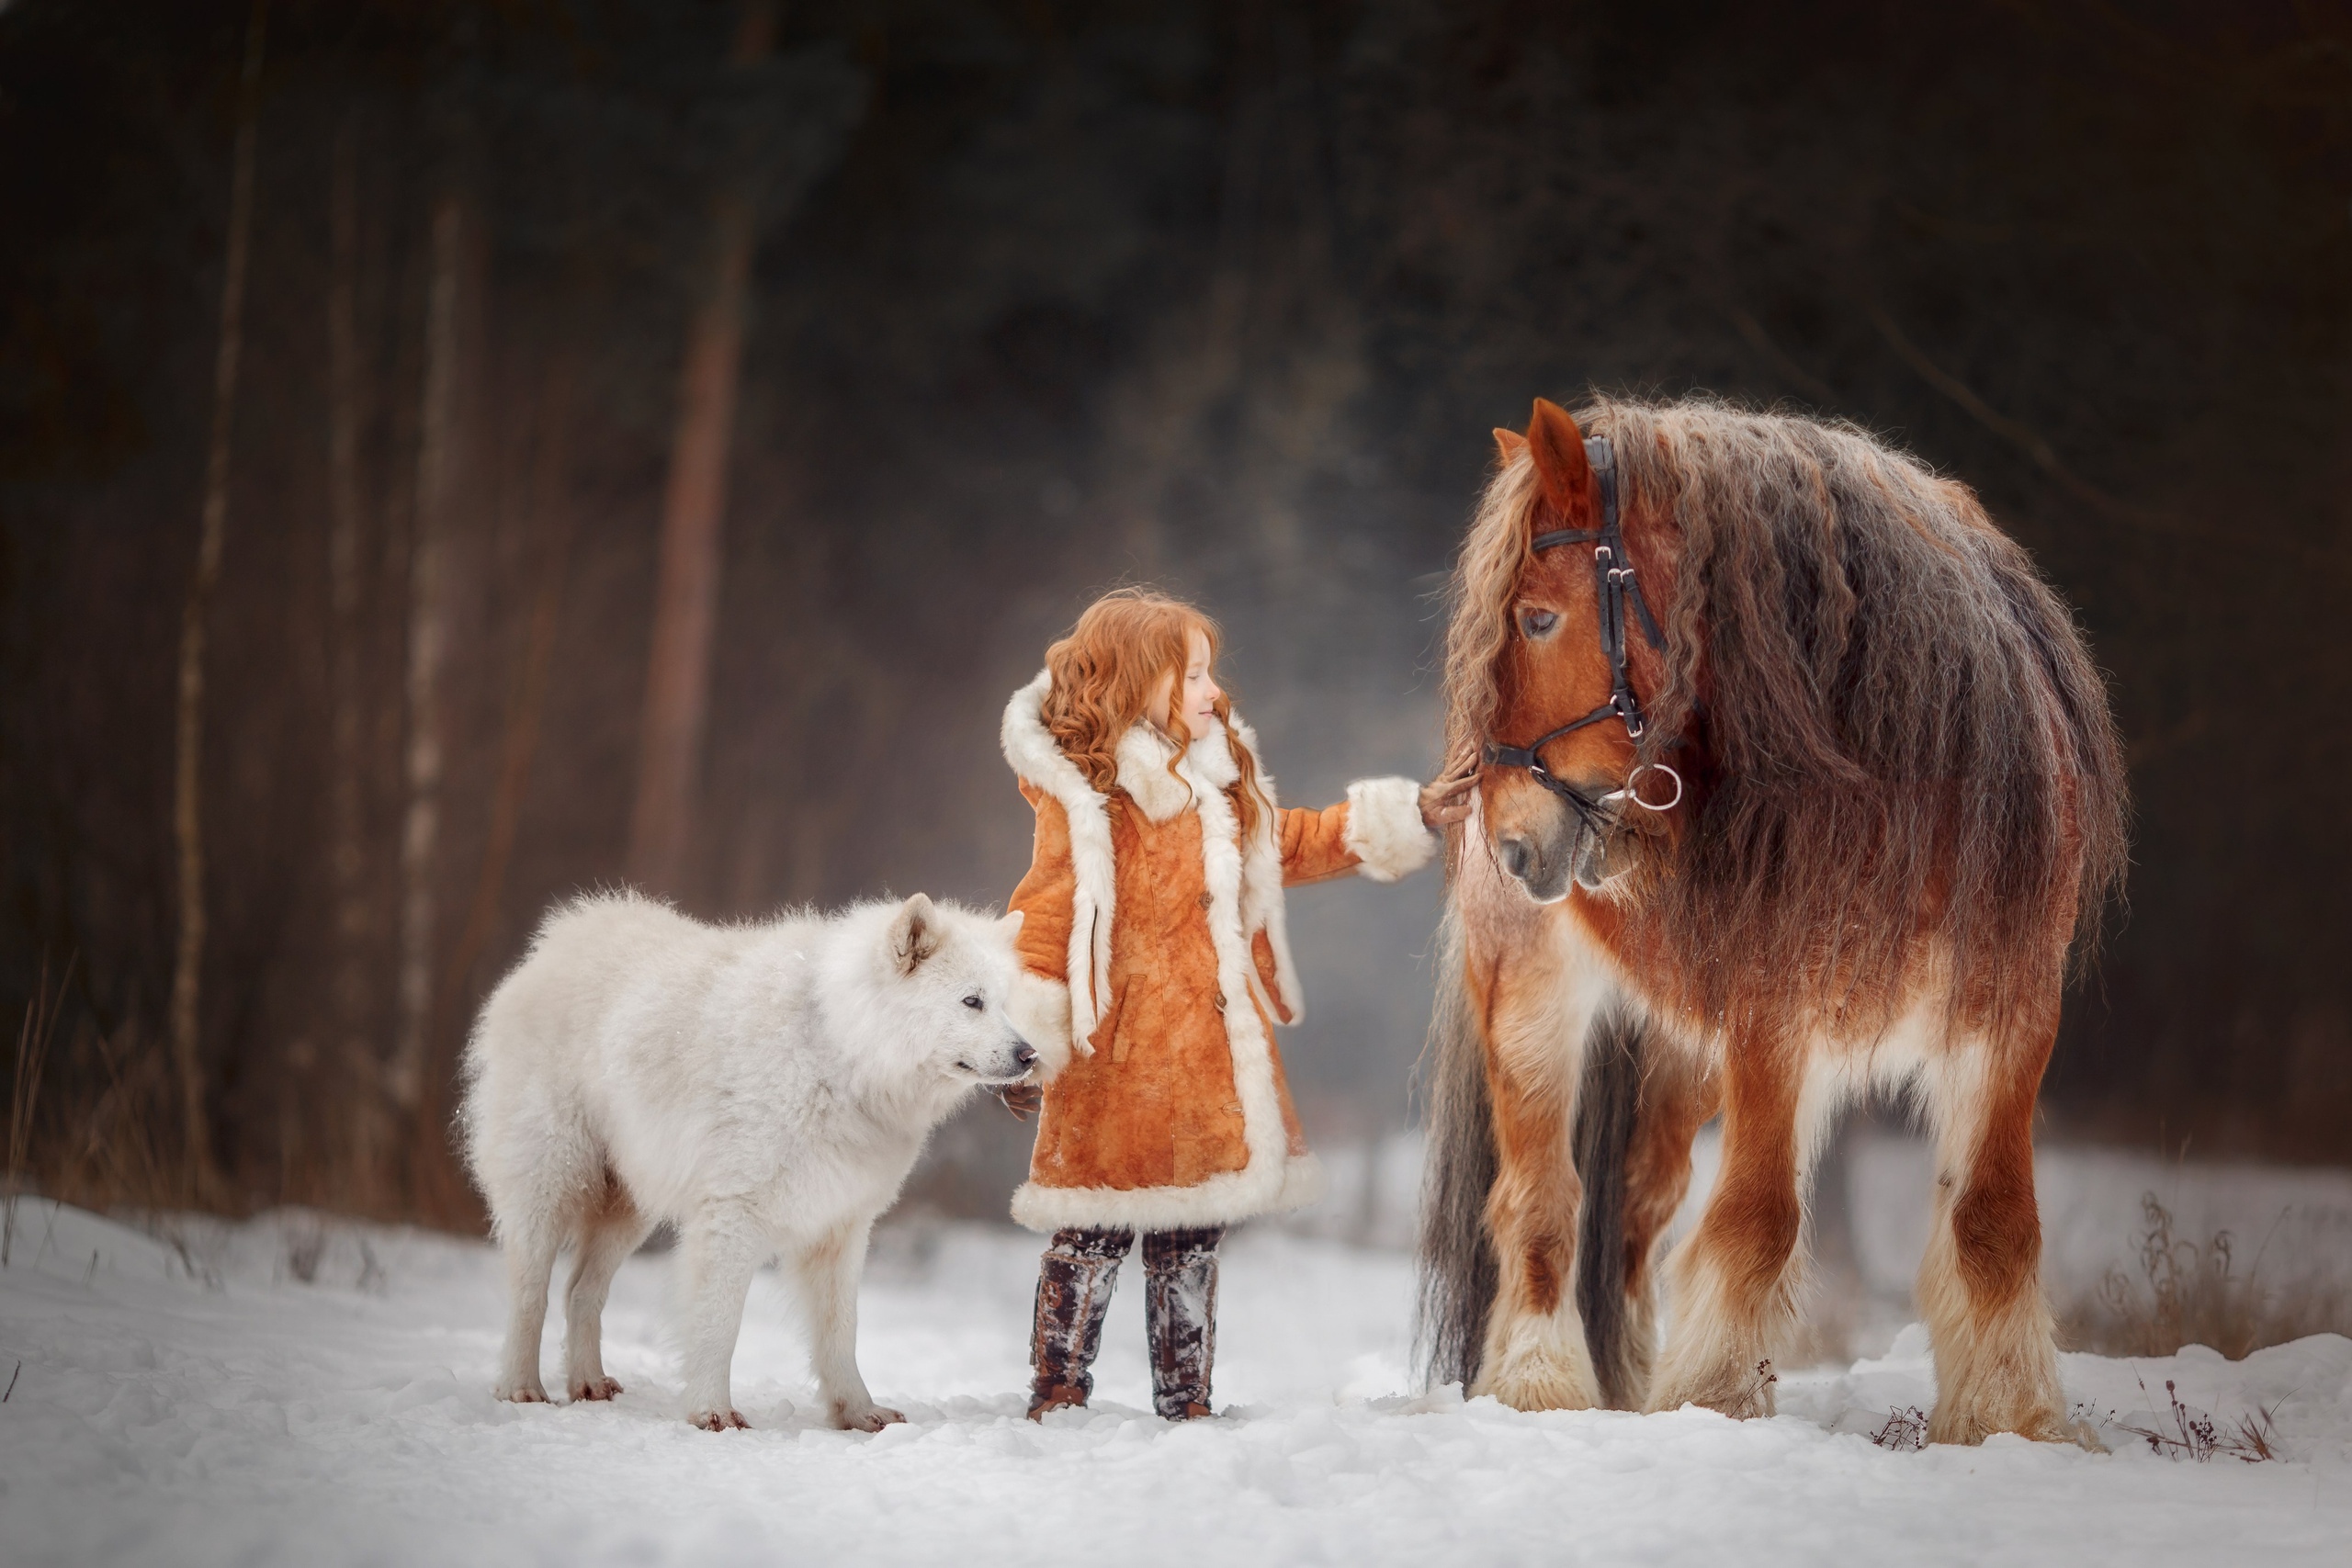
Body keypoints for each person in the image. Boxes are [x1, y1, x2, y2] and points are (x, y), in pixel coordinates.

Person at [993, 588, 1476, 1421]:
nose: (1213, 692)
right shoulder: (1090, 798)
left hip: (1205, 1061)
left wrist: (1410, 813)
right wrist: (1026, 1037)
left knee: (1191, 1236)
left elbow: (1286, 840)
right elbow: (1046, 914)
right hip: (1113, 1063)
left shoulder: (1214, 779)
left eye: (1209, 674)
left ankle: (1187, 1404)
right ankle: (1058, 1394)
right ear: (1139, 680)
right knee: (1090, 1232)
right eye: (1193, 675)